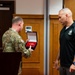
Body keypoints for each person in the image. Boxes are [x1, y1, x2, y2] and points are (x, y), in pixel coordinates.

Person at [53, 8, 75, 75]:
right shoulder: (63, 30)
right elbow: (62, 46)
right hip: (62, 66)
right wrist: (57, 60)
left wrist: (74, 63)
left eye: (60, 17)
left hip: (71, 66)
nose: (59, 20)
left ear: (67, 15)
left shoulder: (74, 28)